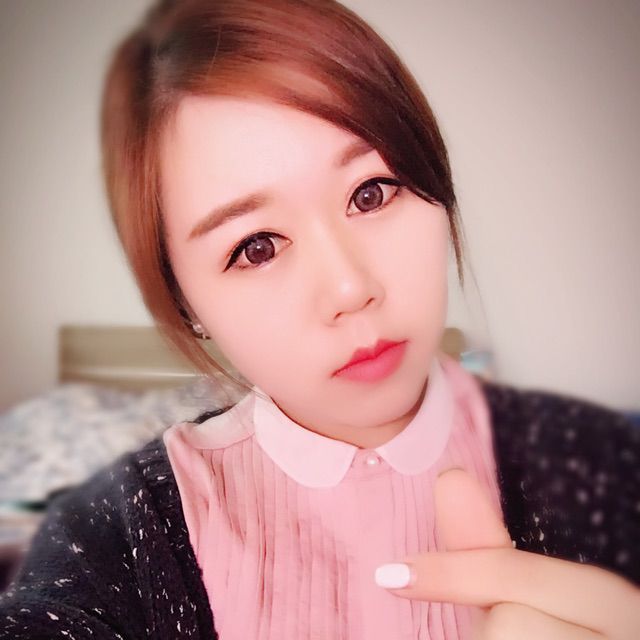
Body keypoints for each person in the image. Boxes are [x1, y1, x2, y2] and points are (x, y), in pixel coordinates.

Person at [1, 0, 639, 638]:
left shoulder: (606, 465)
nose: (350, 289)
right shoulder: (109, 538)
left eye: (371, 193)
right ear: (186, 303)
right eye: (257, 247)